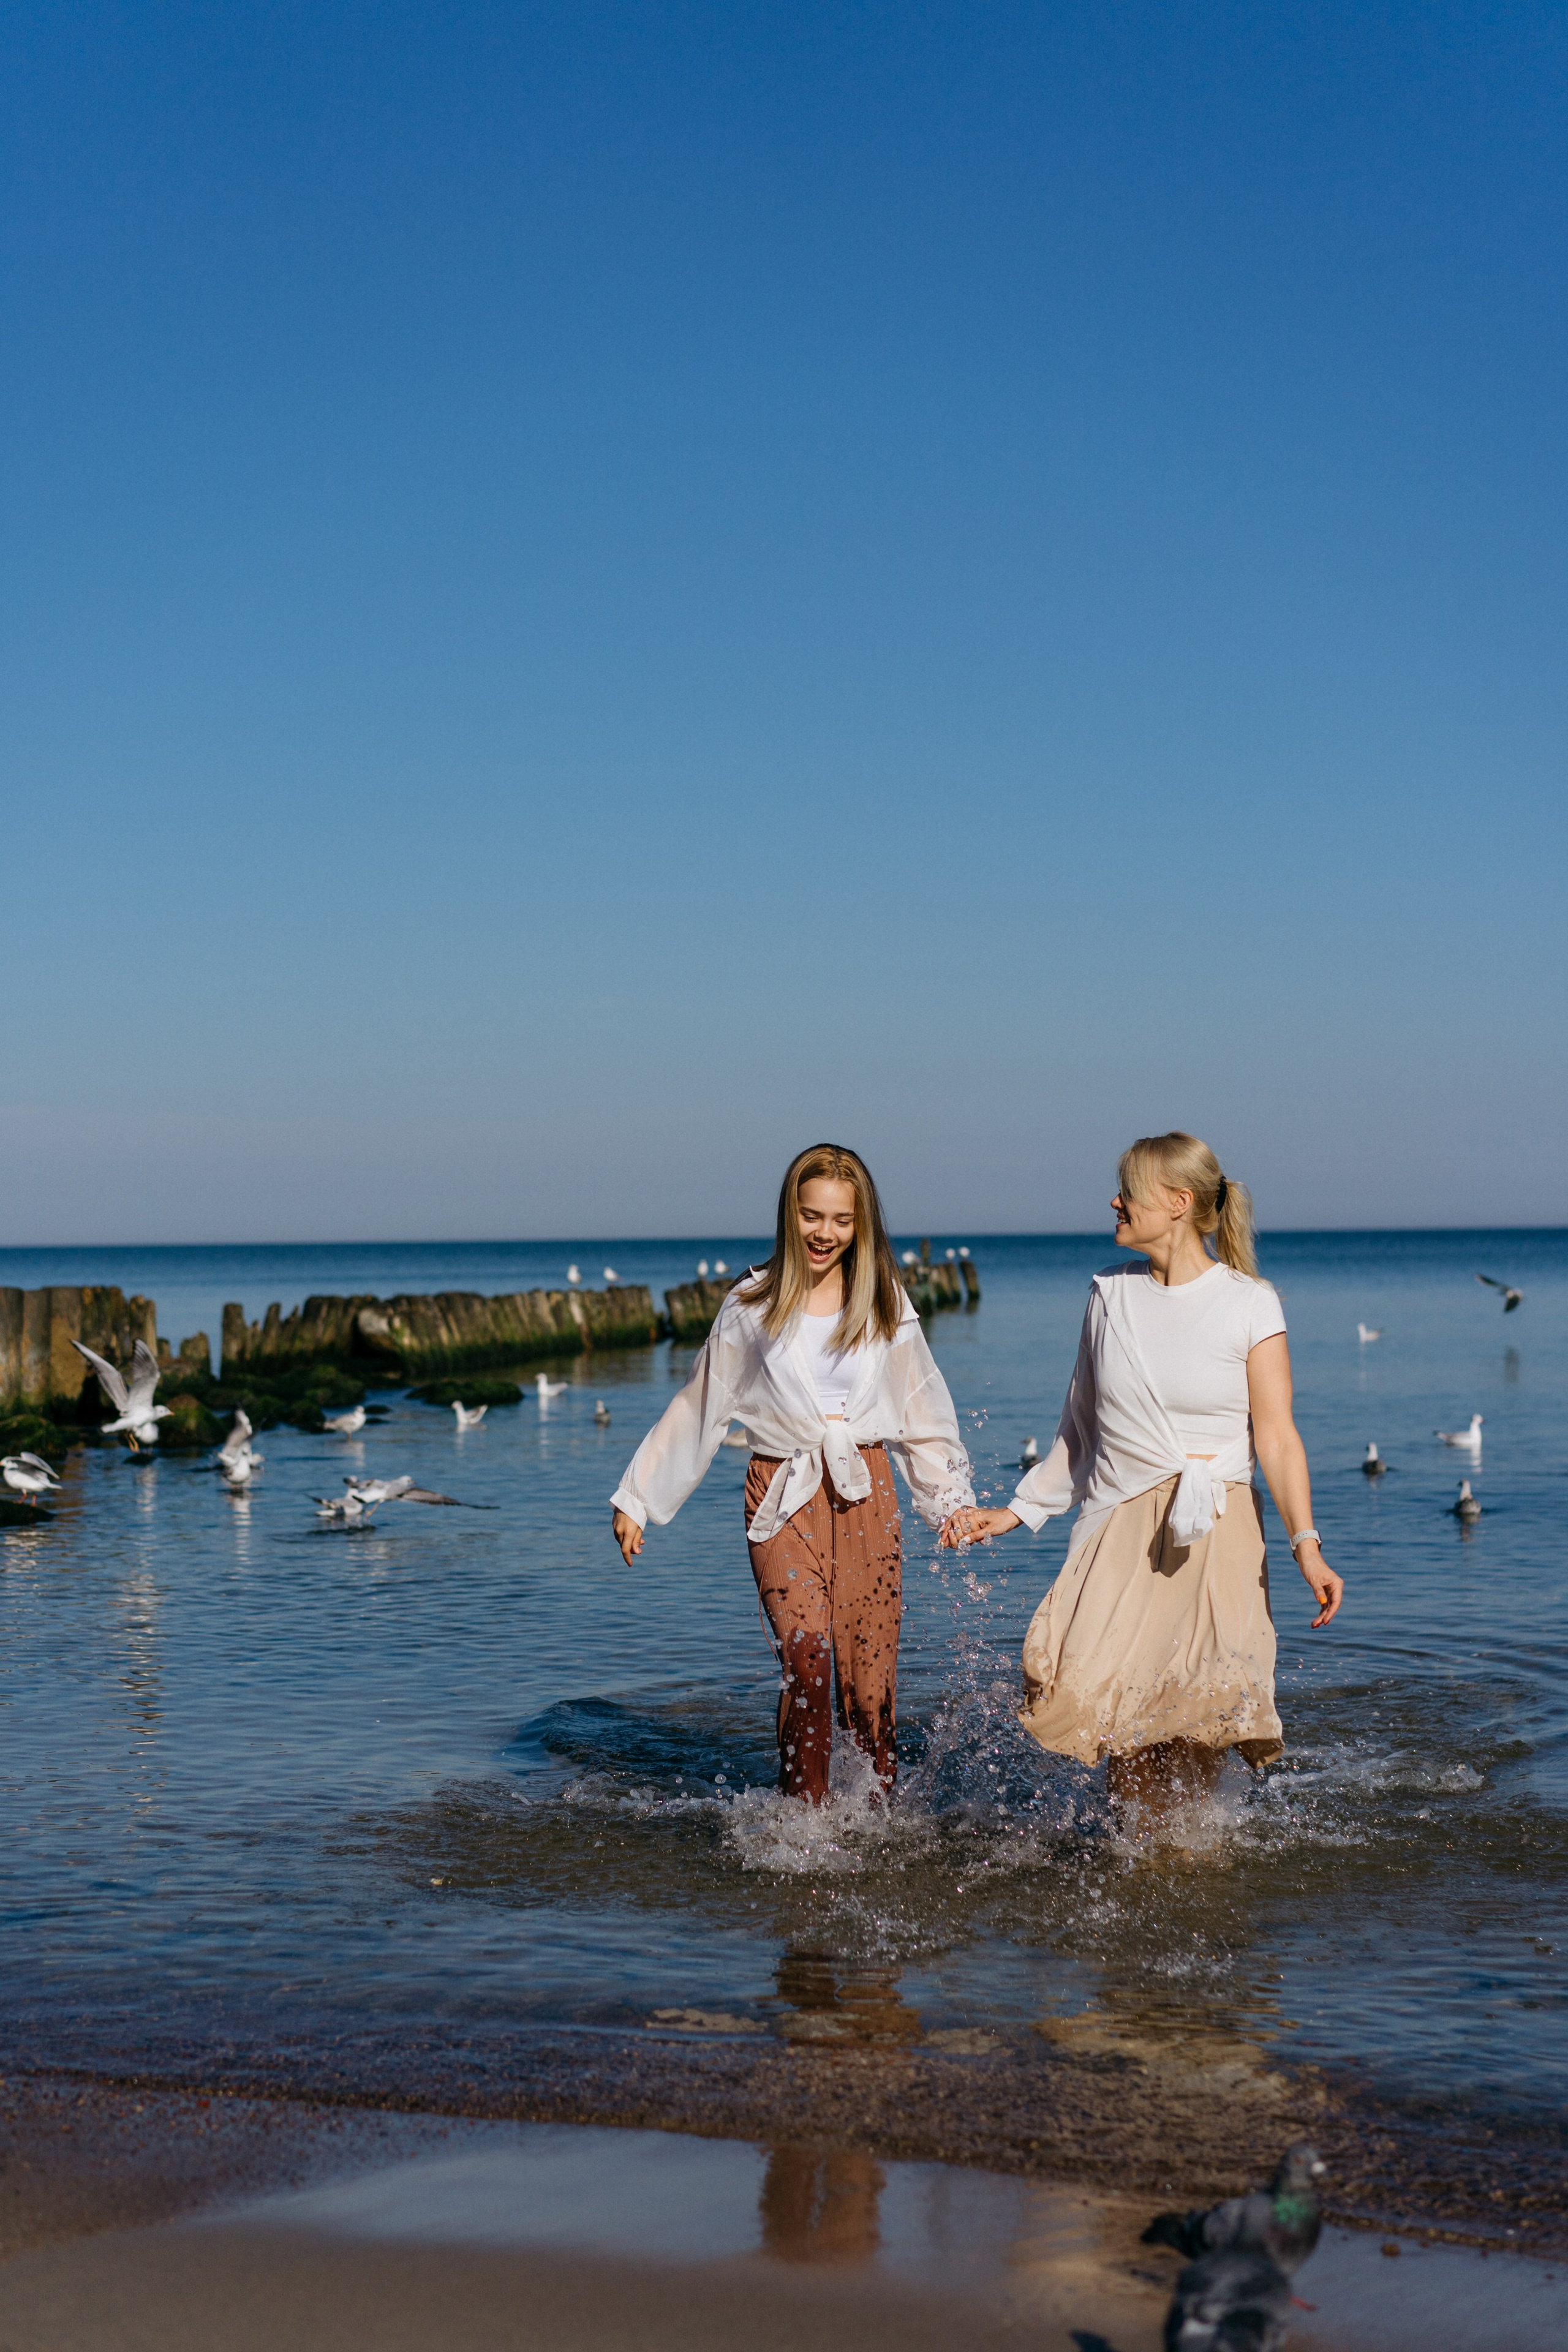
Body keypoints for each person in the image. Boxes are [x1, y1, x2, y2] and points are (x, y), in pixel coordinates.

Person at [941, 1131, 1343, 1811]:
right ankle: (1143, 1849)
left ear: (1179, 1203)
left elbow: (1276, 1438)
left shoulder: (1250, 1303)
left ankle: (1181, 1861)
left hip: (1215, 1532)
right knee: (1096, 1702)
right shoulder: (1108, 1297)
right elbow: (1079, 1427)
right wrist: (1017, 1510)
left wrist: (1308, 1547)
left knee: (1193, 1716)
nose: (1114, 1201)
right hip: (1119, 1531)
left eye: (1128, 1190)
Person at [611, 1144, 974, 1803]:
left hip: (866, 1491)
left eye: (839, 1220)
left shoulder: (884, 1300)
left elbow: (922, 1406)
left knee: (868, 1685)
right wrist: (639, 1497)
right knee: (806, 1664)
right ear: (790, 1213)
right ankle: (800, 1820)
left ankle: (875, 1822)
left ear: (859, 1226)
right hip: (780, 1493)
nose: (823, 1233)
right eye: (811, 1215)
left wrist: (949, 1501)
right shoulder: (751, 1302)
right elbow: (701, 1405)